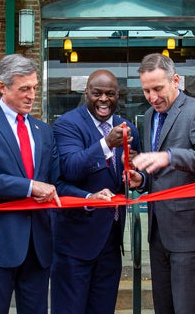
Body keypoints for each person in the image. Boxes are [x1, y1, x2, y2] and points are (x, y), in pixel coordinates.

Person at [0, 54, 84, 314]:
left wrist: (89, 196)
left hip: (39, 246)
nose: (31, 96)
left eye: (34, 88)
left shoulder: (44, 130)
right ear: (2, 87)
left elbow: (54, 183)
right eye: (24, 89)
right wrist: (29, 187)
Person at [130, 52, 195, 314]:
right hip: (159, 231)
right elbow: (158, 173)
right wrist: (141, 179)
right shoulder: (150, 116)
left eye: (158, 88)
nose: (152, 97)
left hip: (192, 231)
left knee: (188, 308)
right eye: (147, 90)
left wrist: (170, 156)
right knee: (165, 307)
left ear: (176, 80)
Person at [51, 70, 142, 314]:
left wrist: (136, 174)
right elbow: (68, 170)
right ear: (86, 94)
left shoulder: (129, 128)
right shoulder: (67, 124)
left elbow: (138, 172)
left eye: (110, 94)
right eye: (97, 93)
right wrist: (105, 145)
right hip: (75, 242)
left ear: (118, 95)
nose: (104, 99)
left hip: (111, 241)